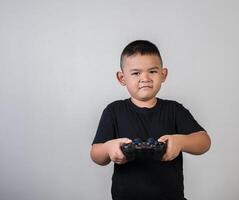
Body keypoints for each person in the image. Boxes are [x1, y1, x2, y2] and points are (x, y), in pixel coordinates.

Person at [90, 40, 211, 200]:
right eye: (136, 73)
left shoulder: (174, 110)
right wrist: (108, 148)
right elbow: (95, 153)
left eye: (152, 71)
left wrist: (181, 142)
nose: (145, 78)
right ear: (122, 78)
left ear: (163, 74)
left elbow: (204, 141)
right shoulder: (113, 111)